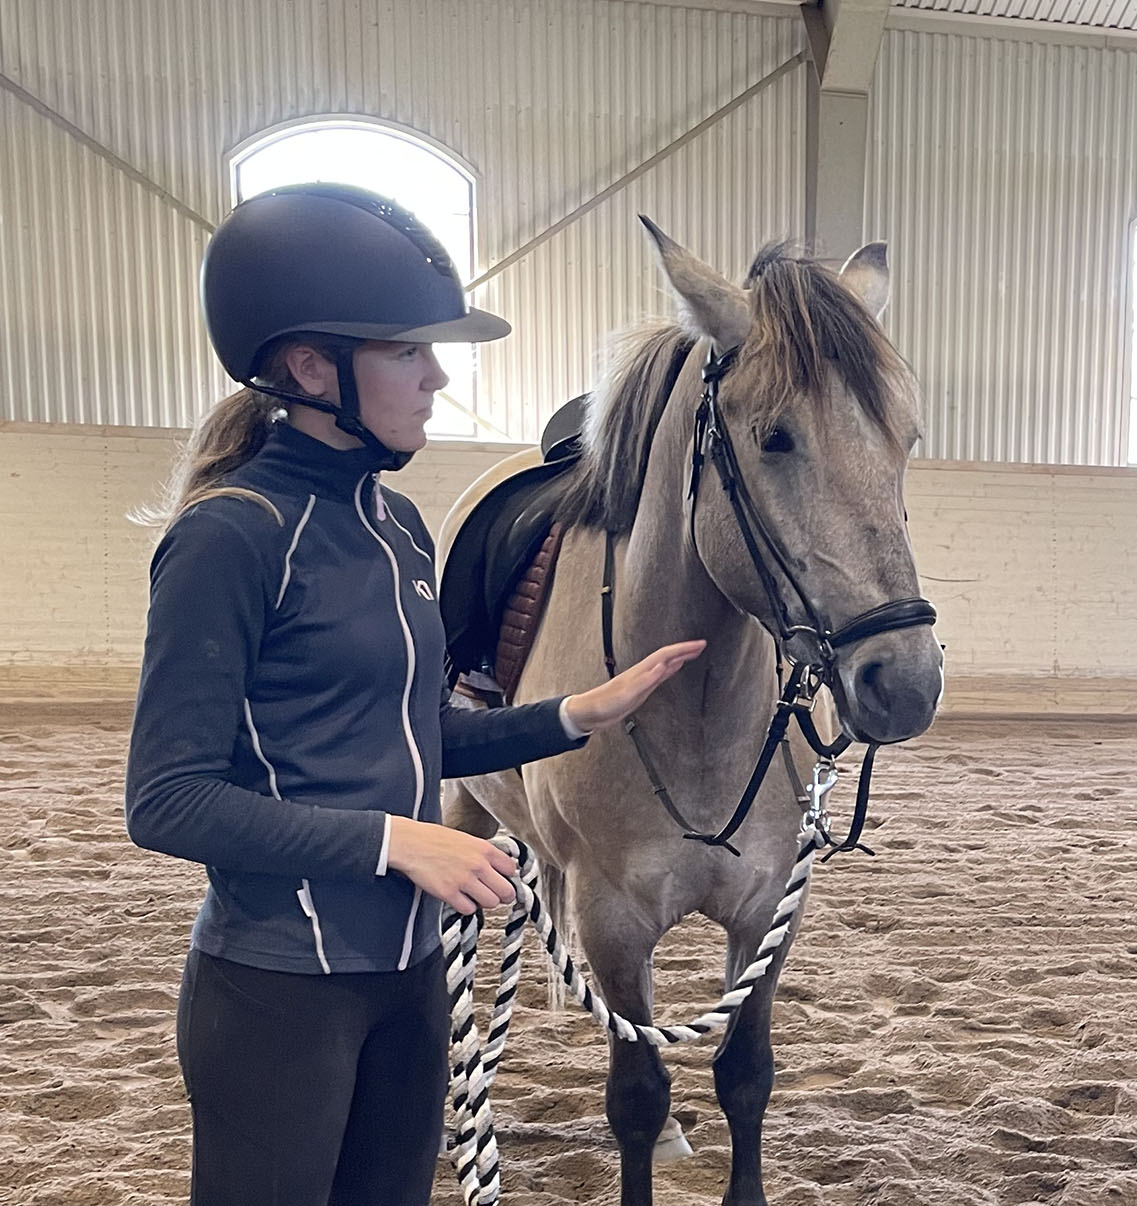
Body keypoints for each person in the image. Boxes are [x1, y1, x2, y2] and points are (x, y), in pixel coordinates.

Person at [124, 182, 705, 1206]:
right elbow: (166, 801)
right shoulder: (231, 536)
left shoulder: (394, 526)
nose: (437, 375)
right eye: (407, 352)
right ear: (312, 369)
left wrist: (573, 716)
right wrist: (396, 842)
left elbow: (408, 731)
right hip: (277, 989)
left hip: (407, 977)